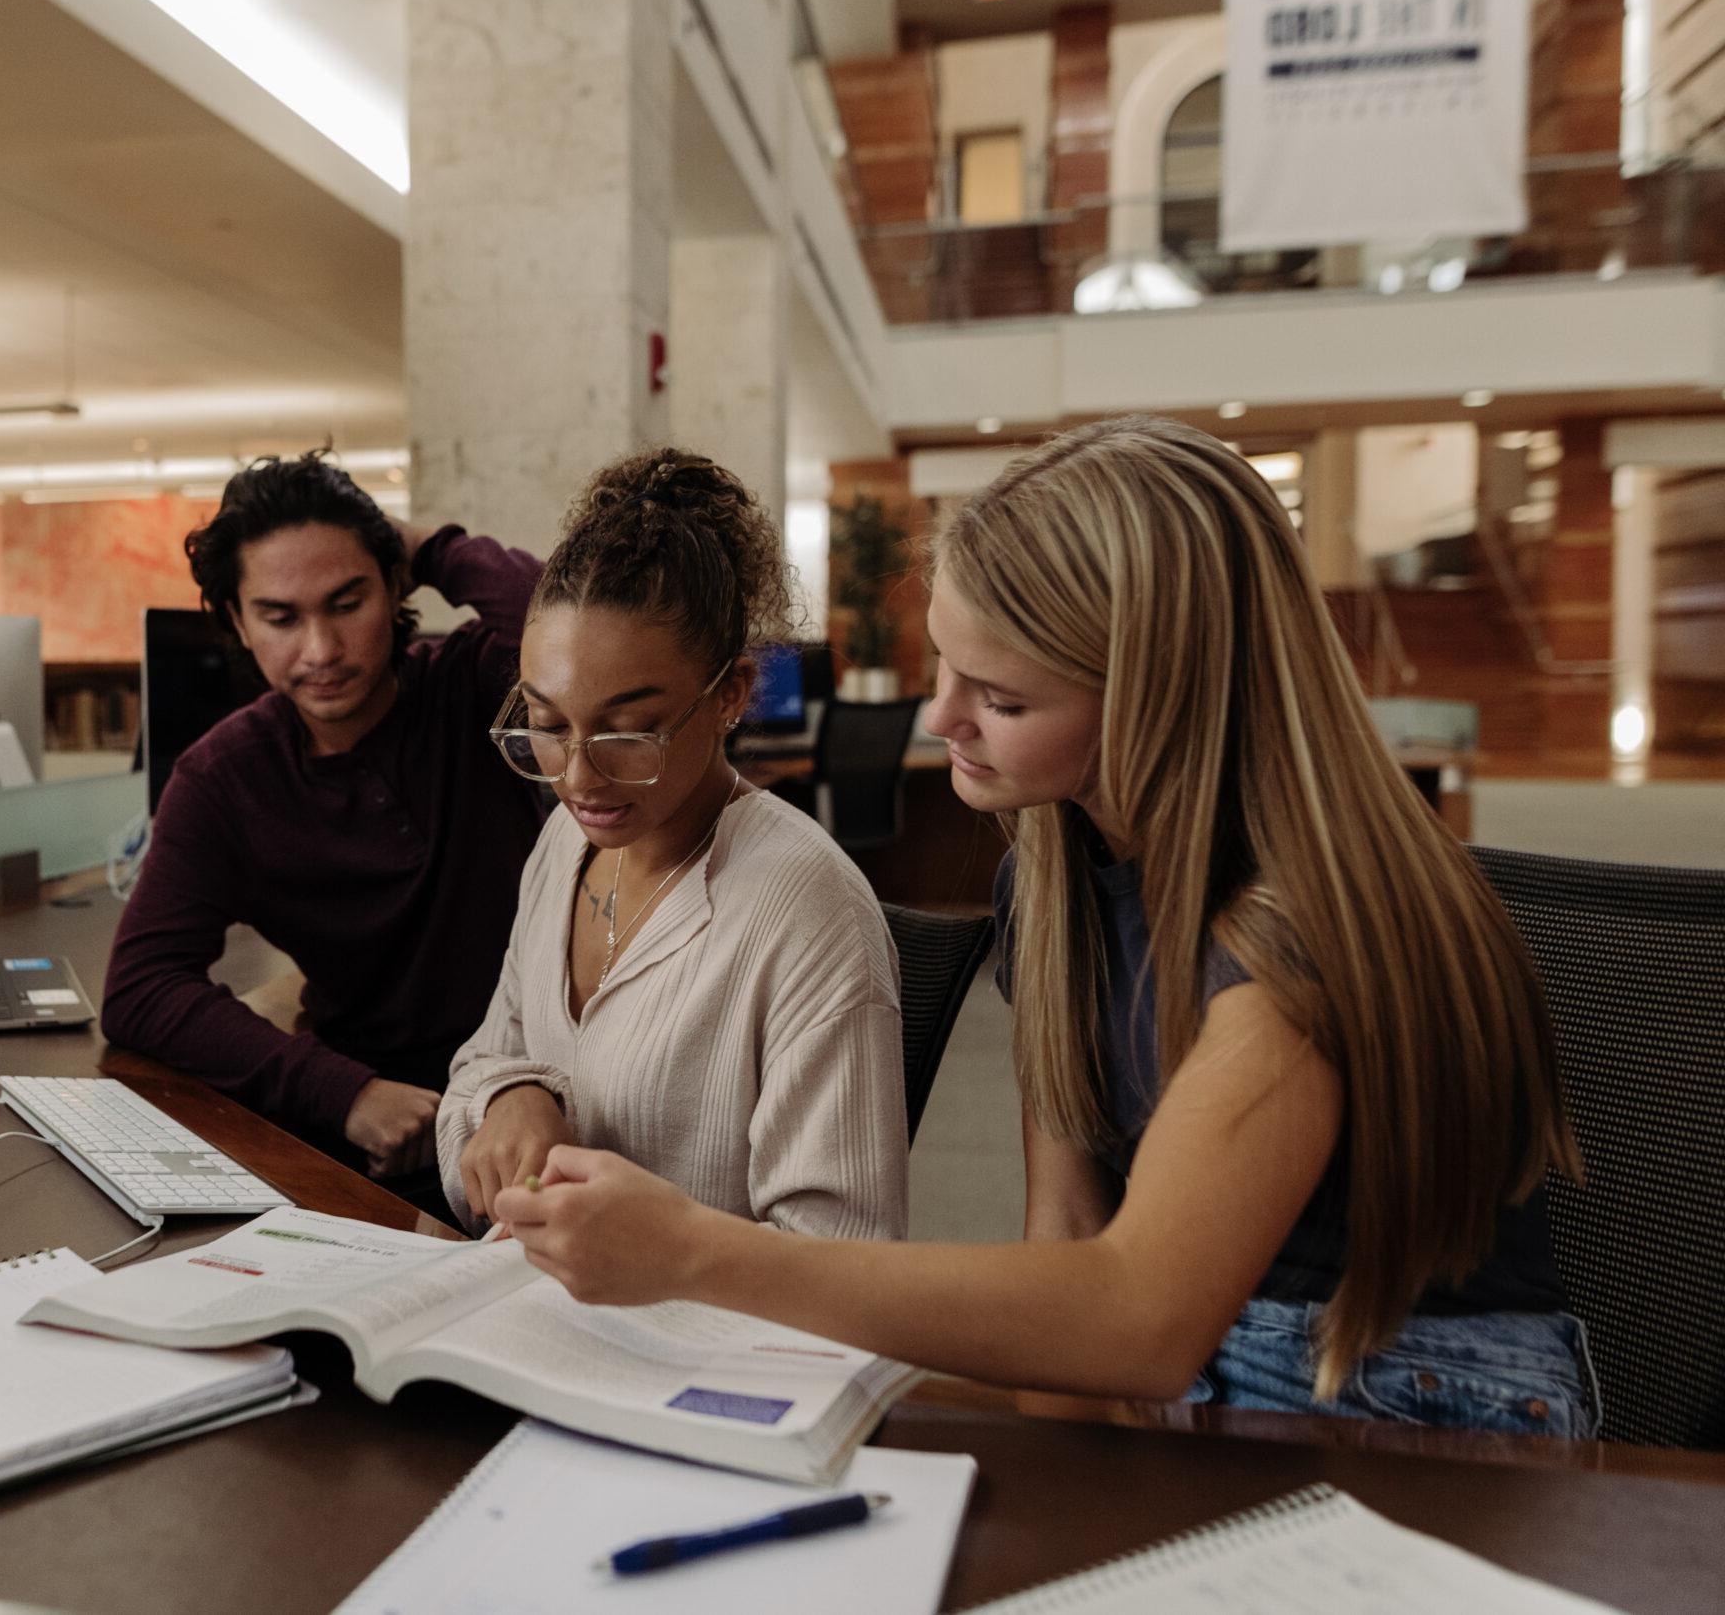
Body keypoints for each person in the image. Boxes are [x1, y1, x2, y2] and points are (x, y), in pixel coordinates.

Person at [496, 416, 1596, 1437]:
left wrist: (691, 1252)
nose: (939, 722)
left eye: (1002, 700)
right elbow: (1064, 1246)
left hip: (1413, 1404)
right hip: (1193, 1377)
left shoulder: (1302, 934)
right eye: (944, 668)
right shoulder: (1054, 878)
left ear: (1160, 697)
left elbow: (1135, 1315)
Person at [436, 452, 907, 1242]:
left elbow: (846, 1253)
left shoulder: (808, 910)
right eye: (548, 726)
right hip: (531, 1317)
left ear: (732, 694)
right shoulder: (564, 844)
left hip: (695, 1354)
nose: (578, 777)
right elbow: (470, 1084)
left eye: (628, 730)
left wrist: (658, 1248)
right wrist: (509, 1096)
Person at [102, 452, 546, 1187]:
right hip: (376, 1121)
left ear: (393, 586)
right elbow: (141, 985)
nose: (322, 651)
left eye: (347, 602)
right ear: (238, 622)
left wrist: (430, 546)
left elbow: (578, 623)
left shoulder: (473, 685)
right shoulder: (223, 776)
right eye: (280, 616)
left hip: (542, 1090)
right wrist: (342, 1092)